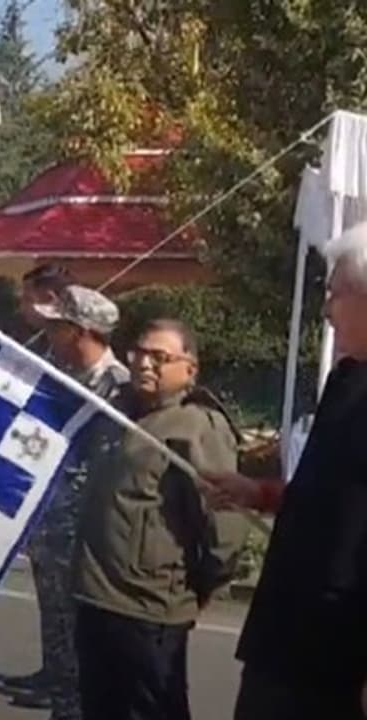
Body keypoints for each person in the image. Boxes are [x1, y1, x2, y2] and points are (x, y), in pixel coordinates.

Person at [202, 222, 367, 720]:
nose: (326, 310)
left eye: (335, 293)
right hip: (287, 633)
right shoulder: (348, 380)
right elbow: (331, 496)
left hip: (341, 648)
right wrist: (260, 494)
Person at [72, 318, 248, 720]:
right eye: (139, 354)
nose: (145, 365)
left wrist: (203, 584)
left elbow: (225, 523)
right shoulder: (119, 413)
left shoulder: (197, 425)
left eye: (160, 357)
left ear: (190, 369)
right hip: (98, 597)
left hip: (149, 608)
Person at [17, 285, 130, 720]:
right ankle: (60, 698)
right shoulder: (60, 374)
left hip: (88, 536)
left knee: (84, 642)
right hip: (53, 528)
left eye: (56, 326)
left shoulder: (117, 388)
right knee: (58, 627)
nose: (48, 334)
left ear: (81, 331)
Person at [8, 262, 83, 698]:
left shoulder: (73, 358)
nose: (23, 307)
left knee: (65, 599)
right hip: (44, 496)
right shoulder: (42, 349)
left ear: (50, 300)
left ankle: (69, 682)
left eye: (28, 297)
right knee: (48, 593)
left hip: (70, 499)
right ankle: (53, 669)